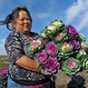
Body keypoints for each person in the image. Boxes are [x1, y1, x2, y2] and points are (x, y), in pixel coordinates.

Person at [0, 6, 56, 88]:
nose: (26, 21)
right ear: (14, 23)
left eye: (28, 19)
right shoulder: (14, 36)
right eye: (22, 19)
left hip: (45, 83)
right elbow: (18, 58)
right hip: (22, 85)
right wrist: (44, 69)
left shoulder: (37, 36)